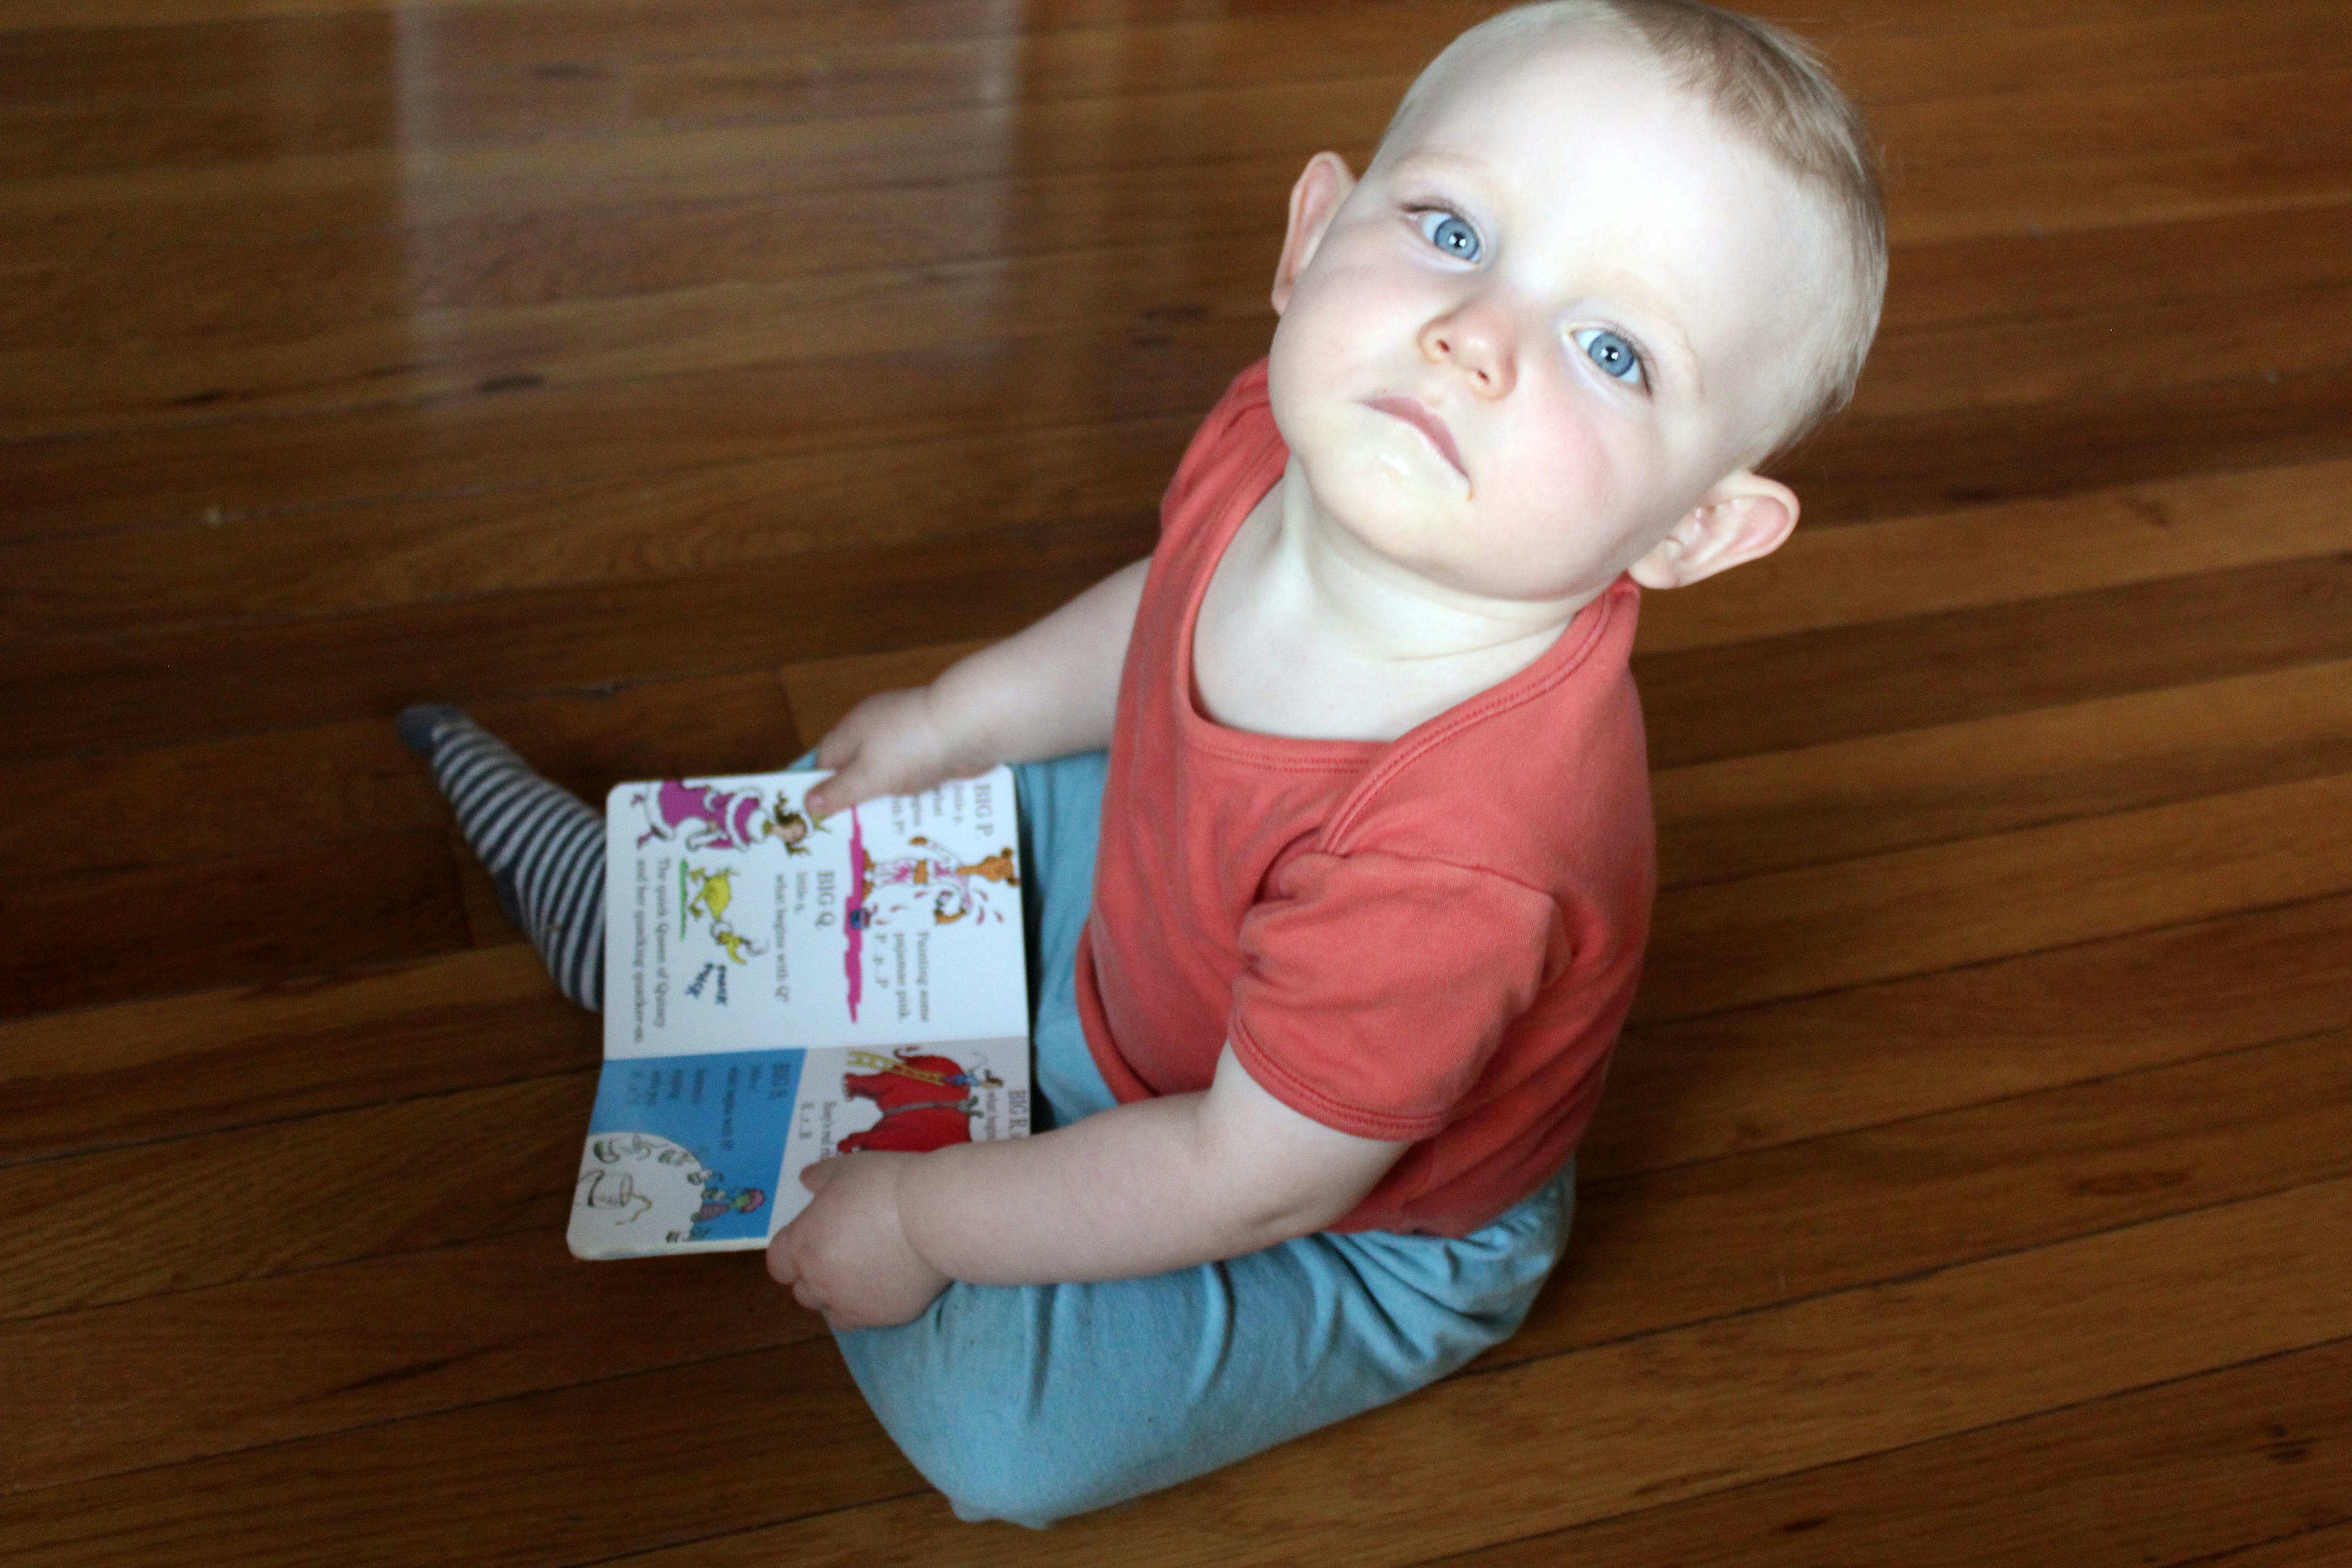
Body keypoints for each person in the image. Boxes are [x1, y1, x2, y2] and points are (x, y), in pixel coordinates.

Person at [399, 0, 1884, 1526]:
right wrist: (959, 716)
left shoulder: (1462, 865)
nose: (1477, 339)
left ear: (1694, 529)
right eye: (1450, 229)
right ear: (1313, 237)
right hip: (1163, 925)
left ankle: (847, 1095)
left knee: (1000, 1432)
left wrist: (921, 1214)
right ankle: (654, 924)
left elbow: (1258, 1173)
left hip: (1342, 1205)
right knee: (888, 781)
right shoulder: (1297, 427)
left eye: (1614, 347)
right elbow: (1169, 605)